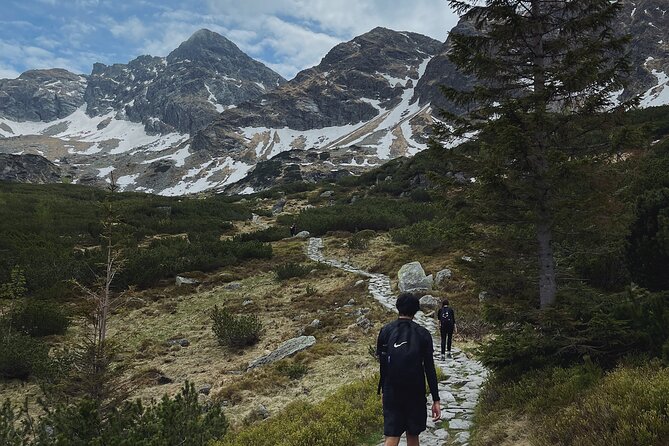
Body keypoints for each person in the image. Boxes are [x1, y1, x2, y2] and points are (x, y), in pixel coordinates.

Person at [377, 293, 441, 446]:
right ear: (416, 310)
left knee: (392, 436)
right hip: (415, 392)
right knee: (413, 435)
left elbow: (383, 365)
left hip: (392, 391)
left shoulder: (386, 331)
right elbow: (429, 369)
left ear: (398, 307)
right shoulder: (423, 334)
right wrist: (436, 399)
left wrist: (383, 390)